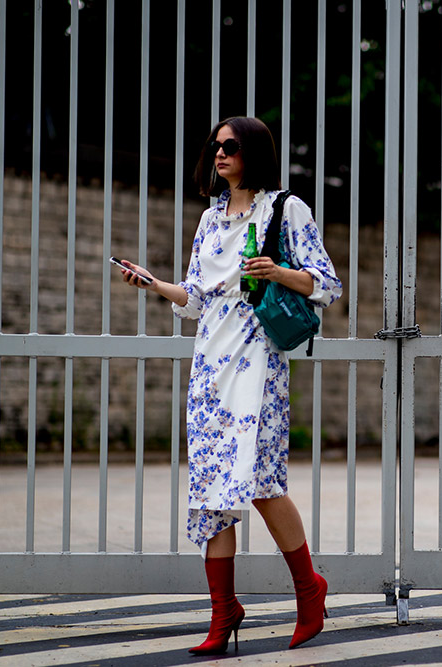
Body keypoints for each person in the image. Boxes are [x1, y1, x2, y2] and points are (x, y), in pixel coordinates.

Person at [116, 116, 342, 654]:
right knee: (211, 491)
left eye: (231, 146)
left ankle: (310, 592)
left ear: (253, 152)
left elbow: (327, 284)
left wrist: (276, 272)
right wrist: (154, 284)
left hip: (259, 357)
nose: (220, 154)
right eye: (215, 146)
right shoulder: (211, 218)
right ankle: (223, 615)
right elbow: (196, 298)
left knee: (261, 483)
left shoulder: (284, 208)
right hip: (210, 362)